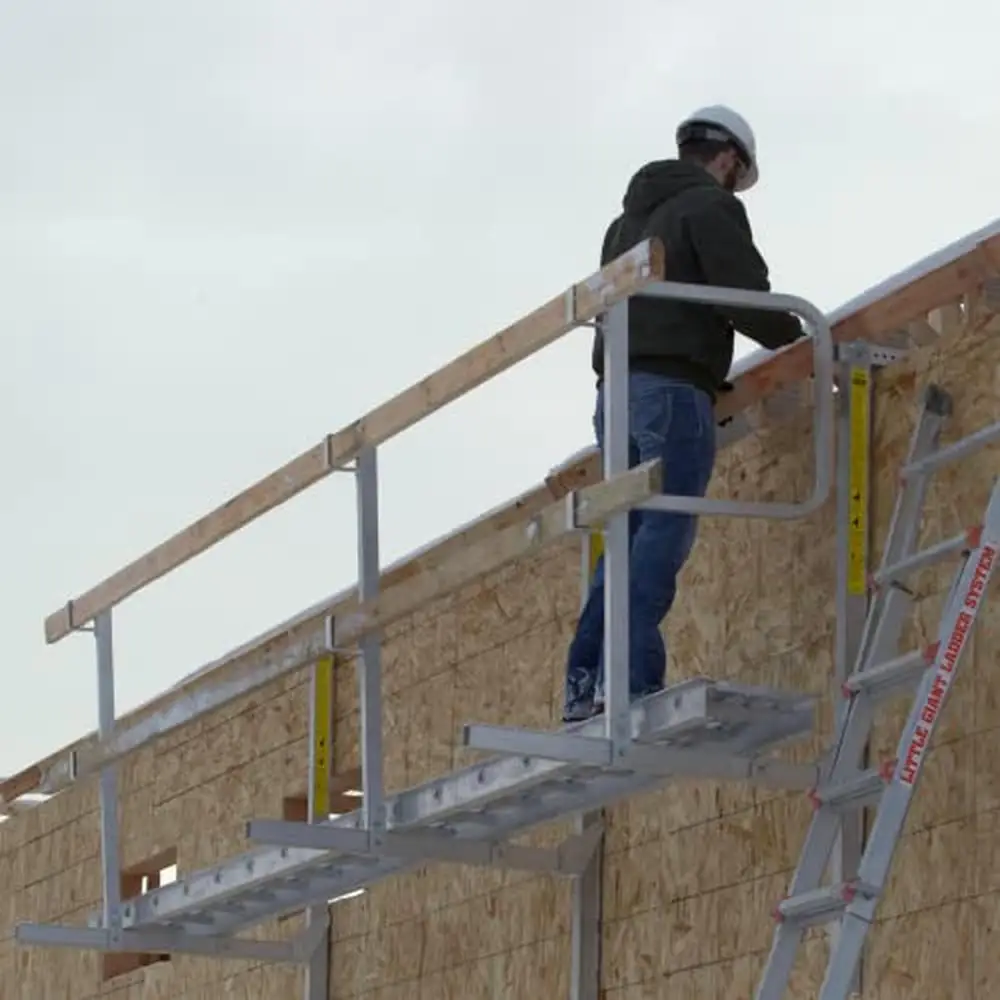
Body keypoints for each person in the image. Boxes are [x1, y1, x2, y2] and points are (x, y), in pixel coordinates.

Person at [562, 104, 805, 723]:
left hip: (613, 393)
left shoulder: (626, 223)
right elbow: (743, 293)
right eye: (736, 172)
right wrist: (794, 331)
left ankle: (585, 679)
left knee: (625, 530)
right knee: (664, 528)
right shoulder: (711, 206)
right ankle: (630, 679)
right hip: (670, 387)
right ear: (728, 159)